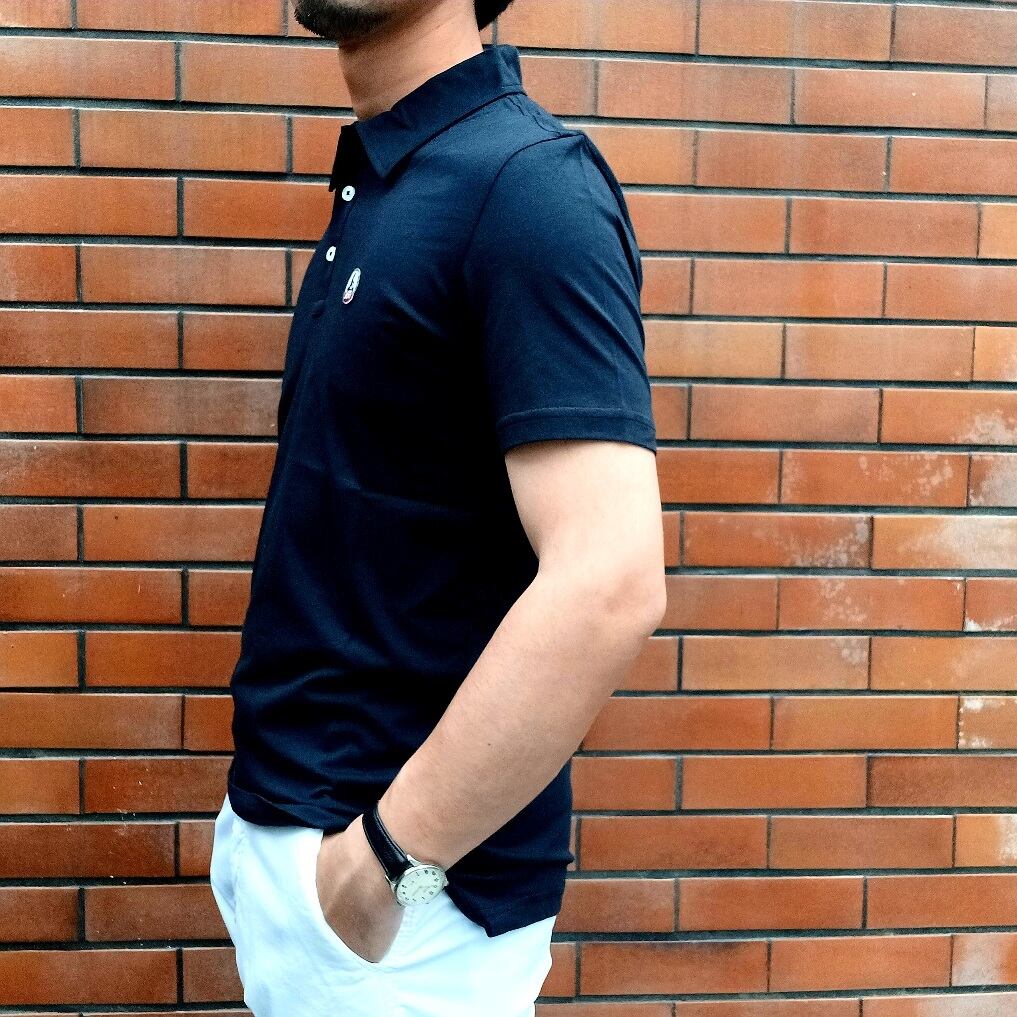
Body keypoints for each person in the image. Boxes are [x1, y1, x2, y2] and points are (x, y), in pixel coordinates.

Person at [209, 1, 667, 1014]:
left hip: (408, 917)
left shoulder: (526, 186)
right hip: (302, 846)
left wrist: (379, 874)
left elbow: (609, 582)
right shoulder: (396, 177)